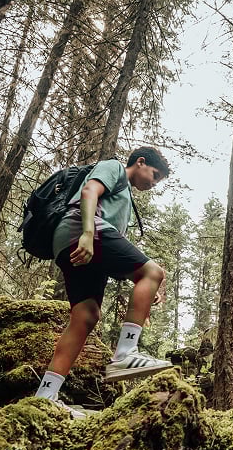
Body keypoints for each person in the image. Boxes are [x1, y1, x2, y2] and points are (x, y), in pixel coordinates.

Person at [33, 146, 174, 417]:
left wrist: (144, 287)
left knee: (86, 316)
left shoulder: (124, 198)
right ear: (140, 162)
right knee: (154, 272)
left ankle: (45, 396)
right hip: (81, 230)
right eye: (155, 175)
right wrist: (87, 233)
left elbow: (116, 251)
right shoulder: (114, 168)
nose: (154, 183)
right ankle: (125, 354)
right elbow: (89, 192)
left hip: (72, 243)